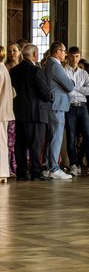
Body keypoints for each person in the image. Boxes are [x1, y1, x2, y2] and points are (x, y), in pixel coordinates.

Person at [10, 44, 51, 180]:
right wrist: (51, 96)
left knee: (20, 144)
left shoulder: (14, 71)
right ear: (35, 54)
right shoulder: (35, 71)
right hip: (36, 114)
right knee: (36, 144)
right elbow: (45, 92)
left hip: (19, 113)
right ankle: (36, 172)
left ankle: (21, 172)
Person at [64, 46, 89, 176]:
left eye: (77, 56)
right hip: (70, 107)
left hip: (83, 106)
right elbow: (65, 90)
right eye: (72, 56)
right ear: (68, 56)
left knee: (88, 136)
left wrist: (75, 88)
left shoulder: (84, 73)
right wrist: (76, 89)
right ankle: (73, 165)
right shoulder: (63, 72)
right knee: (71, 137)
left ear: (80, 57)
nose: (75, 59)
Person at [44, 41, 75, 180]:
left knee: (52, 137)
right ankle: (54, 168)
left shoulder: (49, 64)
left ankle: (47, 167)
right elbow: (69, 86)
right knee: (55, 138)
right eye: (64, 51)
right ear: (58, 52)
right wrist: (72, 82)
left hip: (54, 105)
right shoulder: (55, 66)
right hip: (57, 106)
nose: (65, 54)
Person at [3, 42, 20, 176]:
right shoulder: (4, 68)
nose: (11, 53)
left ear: (19, 52)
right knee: (9, 140)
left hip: (21, 107)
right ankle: (9, 167)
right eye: (9, 51)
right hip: (8, 106)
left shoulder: (24, 67)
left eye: (14, 50)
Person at [0, 46, 14, 183]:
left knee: (1, 143)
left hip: (0, 112)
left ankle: (2, 172)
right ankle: (3, 172)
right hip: (4, 111)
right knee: (2, 143)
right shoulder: (3, 68)